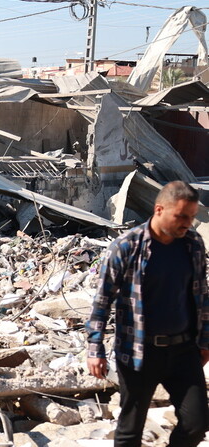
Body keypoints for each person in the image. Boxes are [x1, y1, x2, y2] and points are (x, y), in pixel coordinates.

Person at [86, 180, 209, 447]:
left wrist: (204, 341)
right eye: (181, 216)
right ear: (159, 209)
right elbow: (102, 300)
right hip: (139, 351)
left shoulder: (193, 244)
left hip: (183, 350)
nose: (187, 223)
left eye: (191, 217)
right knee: (130, 431)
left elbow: (201, 296)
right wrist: (95, 348)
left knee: (196, 424)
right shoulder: (126, 247)